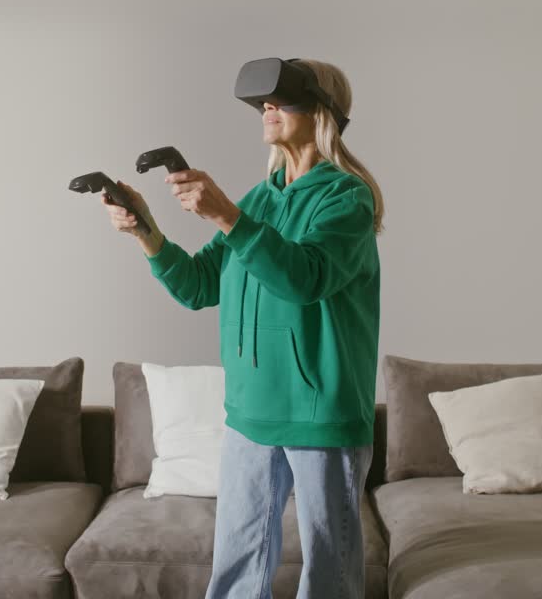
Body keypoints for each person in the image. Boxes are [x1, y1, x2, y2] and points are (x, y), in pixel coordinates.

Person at [102, 58, 384, 599]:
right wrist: (146, 230)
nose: (267, 110)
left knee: (329, 574)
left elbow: (307, 278)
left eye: (280, 100)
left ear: (321, 111)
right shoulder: (258, 200)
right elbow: (198, 286)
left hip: (320, 413)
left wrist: (227, 217)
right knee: (235, 570)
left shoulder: (346, 197)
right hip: (249, 412)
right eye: (262, 104)